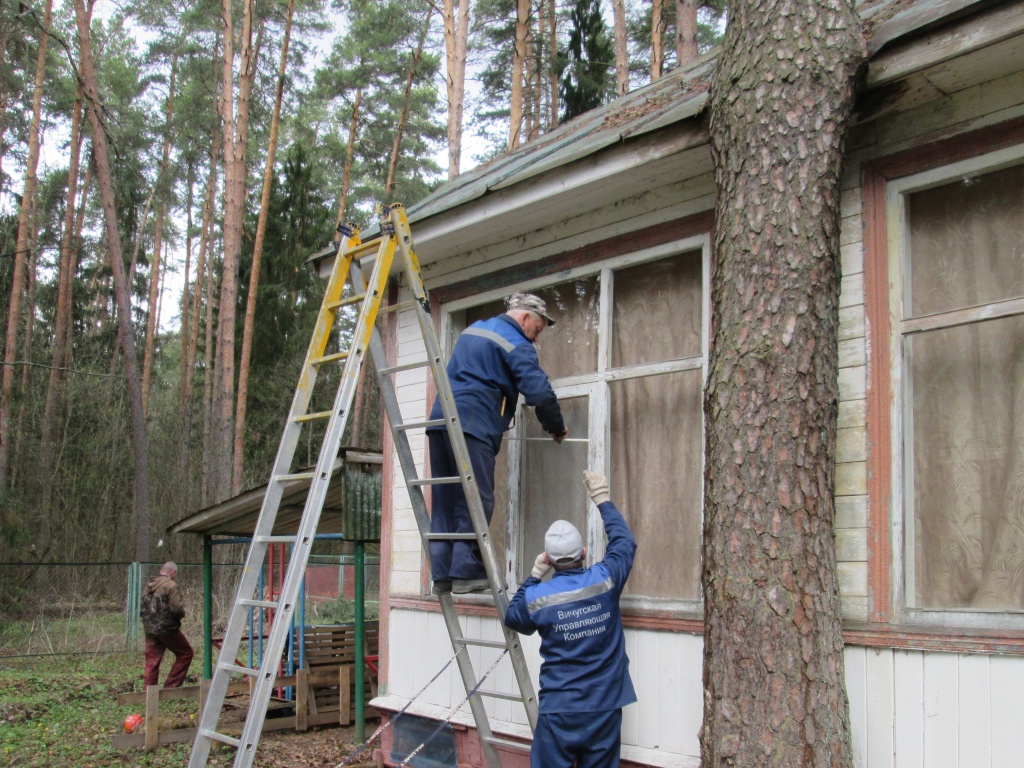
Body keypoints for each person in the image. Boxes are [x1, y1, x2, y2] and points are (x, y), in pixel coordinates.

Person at [427, 292, 568, 595]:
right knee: (475, 499)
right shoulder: (516, 342)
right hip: (473, 423)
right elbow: (539, 394)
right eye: (538, 328)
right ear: (524, 317)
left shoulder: (474, 330)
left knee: (445, 501)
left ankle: (441, 574)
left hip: (440, 421)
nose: (536, 337)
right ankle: (465, 571)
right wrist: (556, 427)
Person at [505, 470, 637, 768]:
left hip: (559, 711)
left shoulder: (539, 596)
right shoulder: (605, 579)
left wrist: (535, 575)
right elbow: (624, 543)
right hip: (604, 707)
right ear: (585, 553)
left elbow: (513, 617)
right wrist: (601, 498)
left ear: (549, 560)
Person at [140, 561, 193, 688]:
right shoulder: (171, 585)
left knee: (152, 661)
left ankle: (149, 693)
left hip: (149, 629)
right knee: (186, 654)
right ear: (172, 572)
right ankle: (171, 688)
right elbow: (177, 609)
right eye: (175, 573)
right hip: (167, 628)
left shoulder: (148, 585)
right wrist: (180, 617)